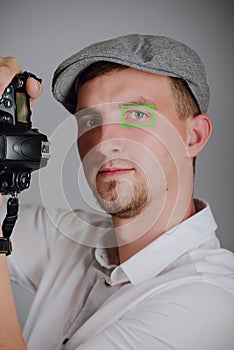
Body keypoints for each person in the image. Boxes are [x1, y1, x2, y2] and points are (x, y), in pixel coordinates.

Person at [0, 34, 234, 350]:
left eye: (136, 115)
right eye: (90, 119)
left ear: (193, 136)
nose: (104, 141)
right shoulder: (70, 241)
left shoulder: (209, 302)